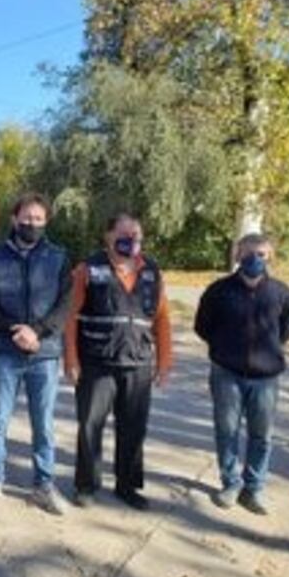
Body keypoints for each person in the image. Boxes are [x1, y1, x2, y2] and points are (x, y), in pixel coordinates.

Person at [65, 213, 172, 511]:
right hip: (96, 362)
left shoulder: (152, 271)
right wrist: (71, 359)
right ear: (108, 238)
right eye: (124, 236)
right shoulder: (87, 270)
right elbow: (71, 318)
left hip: (137, 363)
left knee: (133, 428)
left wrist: (164, 363)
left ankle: (127, 486)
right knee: (90, 425)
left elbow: (162, 320)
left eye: (136, 237)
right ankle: (86, 485)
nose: (131, 242)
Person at [0, 193, 72, 515]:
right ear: (15, 219)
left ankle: (43, 485)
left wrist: (38, 332)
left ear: (46, 223)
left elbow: (65, 304)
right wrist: (13, 331)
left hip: (43, 354)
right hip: (5, 350)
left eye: (39, 219)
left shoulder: (58, 257)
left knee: (43, 424)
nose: (32, 224)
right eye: (27, 218)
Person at [194, 233, 289, 515]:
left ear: (270, 257)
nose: (255, 259)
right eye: (249, 253)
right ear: (238, 255)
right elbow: (202, 327)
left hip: (266, 378)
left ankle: (253, 488)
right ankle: (230, 483)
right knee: (227, 431)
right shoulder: (218, 291)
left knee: (261, 435)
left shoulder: (282, 293)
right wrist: (225, 348)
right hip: (226, 373)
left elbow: (285, 331)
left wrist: (266, 353)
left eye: (261, 254)